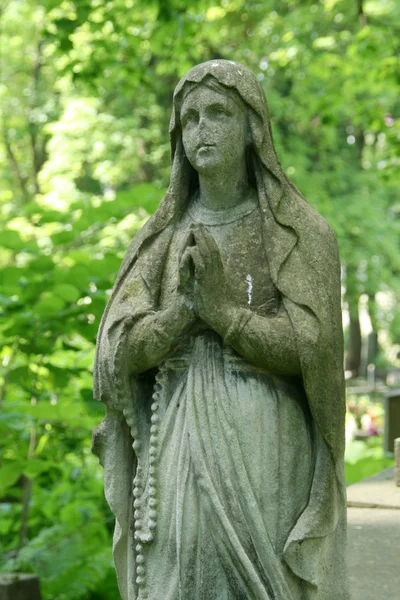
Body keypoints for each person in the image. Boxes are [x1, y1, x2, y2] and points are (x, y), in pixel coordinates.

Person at [93, 60, 349, 600]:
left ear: (252, 125)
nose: (201, 130)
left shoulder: (298, 233)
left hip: (267, 442)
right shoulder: (162, 239)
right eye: (190, 119)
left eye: (218, 113)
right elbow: (116, 351)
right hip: (178, 438)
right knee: (177, 578)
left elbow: (315, 349)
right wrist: (177, 318)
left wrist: (226, 312)